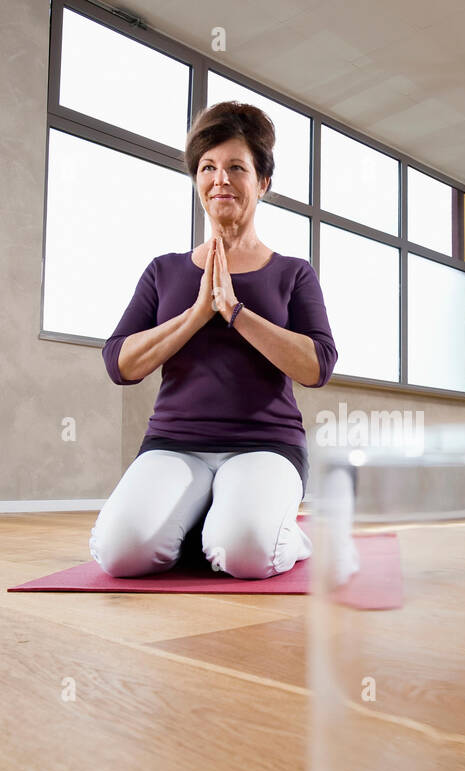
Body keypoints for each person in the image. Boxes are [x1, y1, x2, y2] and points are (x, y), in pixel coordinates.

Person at [90, 100, 351, 580]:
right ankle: (206, 523)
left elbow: (317, 366)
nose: (221, 179)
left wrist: (235, 312)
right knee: (120, 553)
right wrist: (197, 314)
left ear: (263, 182)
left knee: (246, 554)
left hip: (265, 444)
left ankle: (285, 533)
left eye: (237, 167)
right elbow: (119, 364)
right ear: (197, 182)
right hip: (174, 442)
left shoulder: (293, 273)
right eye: (208, 167)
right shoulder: (163, 270)